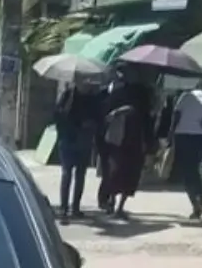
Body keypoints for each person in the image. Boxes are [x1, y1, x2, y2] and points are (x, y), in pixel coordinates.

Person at [98, 79, 152, 218]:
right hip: (122, 142)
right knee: (120, 173)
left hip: (126, 142)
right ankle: (114, 204)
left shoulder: (116, 101)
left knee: (122, 174)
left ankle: (115, 204)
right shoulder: (125, 105)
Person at [170, 80, 202, 219]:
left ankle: (196, 203)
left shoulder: (185, 96)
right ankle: (200, 199)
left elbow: (176, 115)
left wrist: (170, 134)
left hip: (182, 135)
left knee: (186, 172)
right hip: (199, 137)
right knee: (194, 169)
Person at [54, 83, 101, 220]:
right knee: (67, 173)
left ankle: (75, 207)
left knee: (80, 175)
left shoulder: (92, 99)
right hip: (68, 139)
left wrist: (90, 125)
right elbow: (57, 114)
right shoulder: (68, 95)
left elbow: (98, 118)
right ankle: (64, 207)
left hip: (83, 141)